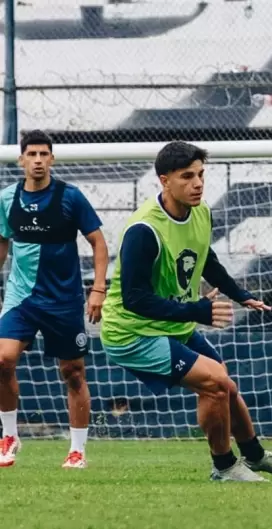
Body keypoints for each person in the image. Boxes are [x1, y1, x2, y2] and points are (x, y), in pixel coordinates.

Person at [100, 141, 272, 482]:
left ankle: (255, 457)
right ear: (164, 181)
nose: (197, 184)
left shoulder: (200, 211)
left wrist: (240, 294)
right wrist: (197, 310)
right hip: (132, 333)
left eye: (200, 175)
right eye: (186, 177)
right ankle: (225, 467)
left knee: (227, 386)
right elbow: (134, 299)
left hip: (169, 323)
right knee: (214, 383)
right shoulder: (144, 231)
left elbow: (205, 258)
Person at [0, 130, 109, 469]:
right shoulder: (6, 199)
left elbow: (99, 243)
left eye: (43, 154)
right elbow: (2, 243)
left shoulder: (70, 197)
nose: (37, 160)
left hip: (63, 300)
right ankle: (8, 435)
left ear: (52, 159)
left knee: (73, 372)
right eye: (31, 154)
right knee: (2, 360)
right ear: (20, 160)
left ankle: (77, 450)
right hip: (22, 298)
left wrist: (99, 289)